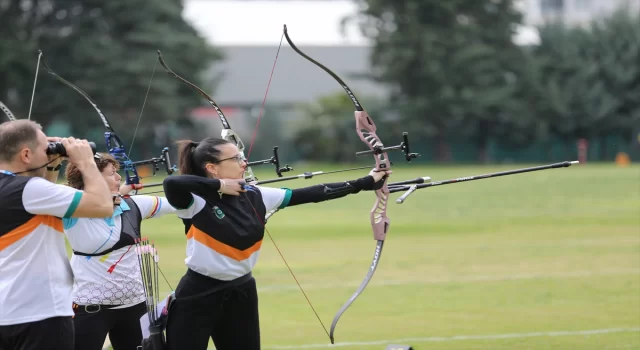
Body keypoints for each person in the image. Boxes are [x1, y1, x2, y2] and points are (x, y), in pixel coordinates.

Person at [162, 137, 391, 350]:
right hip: (199, 293)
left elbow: (312, 193)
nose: (243, 163)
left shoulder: (255, 194)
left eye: (241, 157)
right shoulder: (194, 202)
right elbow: (171, 182)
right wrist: (220, 186)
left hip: (241, 291)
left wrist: (365, 182)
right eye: (235, 159)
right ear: (212, 167)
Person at [0, 120, 113, 350]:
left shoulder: (19, 191)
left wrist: (50, 166)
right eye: (46, 148)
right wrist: (86, 162)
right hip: (41, 314)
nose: (50, 152)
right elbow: (102, 205)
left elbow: (40, 205)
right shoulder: (28, 189)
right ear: (25, 154)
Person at [62, 152, 178, 350]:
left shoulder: (132, 205)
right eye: (111, 173)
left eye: (117, 172)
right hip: (90, 308)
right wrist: (101, 197)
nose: (118, 177)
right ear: (92, 179)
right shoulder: (71, 209)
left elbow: (179, 203)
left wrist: (219, 186)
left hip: (135, 306)